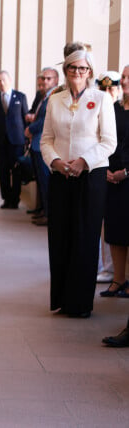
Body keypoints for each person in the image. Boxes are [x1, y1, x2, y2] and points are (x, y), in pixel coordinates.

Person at [40, 49, 117, 318]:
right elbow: (46, 139)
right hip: (61, 174)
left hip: (91, 175)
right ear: (66, 70)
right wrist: (56, 161)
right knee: (60, 234)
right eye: (72, 68)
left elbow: (109, 141)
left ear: (90, 72)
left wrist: (84, 160)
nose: (77, 73)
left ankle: (80, 303)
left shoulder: (101, 99)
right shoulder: (55, 99)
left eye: (82, 69)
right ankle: (61, 298)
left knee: (85, 236)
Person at [98, 68, 129, 297]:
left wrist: (126, 172)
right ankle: (118, 280)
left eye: (126, 77)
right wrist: (106, 170)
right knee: (115, 231)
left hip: (128, 176)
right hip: (111, 176)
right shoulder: (113, 109)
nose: (123, 81)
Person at [0, 70, 29, 209]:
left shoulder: (21, 97)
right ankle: (6, 198)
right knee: (3, 170)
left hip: (17, 140)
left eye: (3, 80)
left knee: (16, 170)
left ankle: (15, 199)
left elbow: (25, 118)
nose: (1, 83)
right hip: (0, 140)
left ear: (10, 80)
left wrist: (28, 137)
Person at [24, 67, 59, 226]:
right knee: (40, 181)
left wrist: (30, 129)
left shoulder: (54, 96)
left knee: (46, 182)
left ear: (56, 80)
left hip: (43, 145)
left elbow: (46, 119)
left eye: (48, 78)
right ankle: (43, 210)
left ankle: (49, 214)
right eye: (43, 78)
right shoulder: (43, 97)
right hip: (37, 145)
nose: (45, 81)